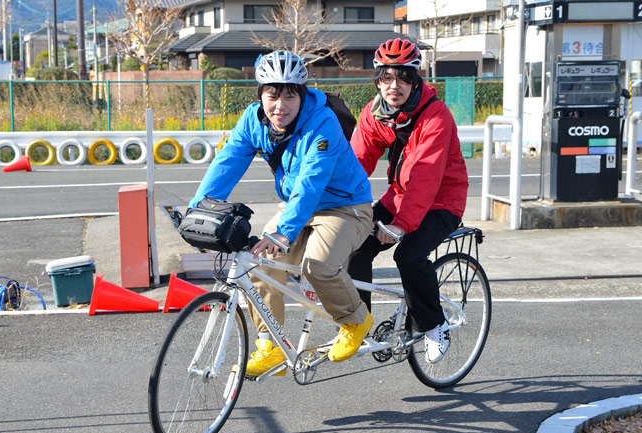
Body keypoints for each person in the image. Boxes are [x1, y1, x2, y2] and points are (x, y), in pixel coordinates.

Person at [189, 50, 374, 376]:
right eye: (272, 94)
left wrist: (282, 232)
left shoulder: (323, 123)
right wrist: (198, 211)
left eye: (290, 95)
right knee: (258, 264)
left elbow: (311, 183)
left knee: (317, 265)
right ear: (260, 94)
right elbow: (227, 164)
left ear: (302, 94)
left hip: (346, 208)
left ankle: (356, 320)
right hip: (295, 208)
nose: (280, 104)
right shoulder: (252, 120)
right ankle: (271, 348)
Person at [347, 38, 469, 364]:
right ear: (377, 80)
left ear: (416, 78)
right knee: (355, 245)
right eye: (386, 77)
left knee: (409, 255)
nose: (394, 86)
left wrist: (400, 225)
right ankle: (360, 325)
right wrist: (337, 206)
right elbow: (355, 165)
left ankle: (434, 324)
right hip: (400, 196)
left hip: (442, 202)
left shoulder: (436, 117)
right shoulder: (375, 114)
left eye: (403, 77)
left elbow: (426, 179)